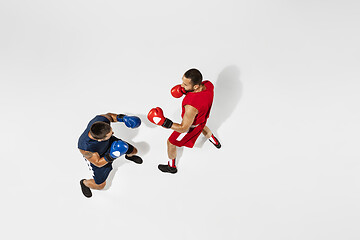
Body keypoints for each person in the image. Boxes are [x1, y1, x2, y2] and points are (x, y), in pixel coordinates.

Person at [148, 68, 221, 174]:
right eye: (182, 82)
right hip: (202, 119)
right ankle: (215, 141)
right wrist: (185, 91)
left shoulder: (191, 105)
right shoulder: (209, 85)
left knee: (171, 142)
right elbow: (200, 96)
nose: (182, 86)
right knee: (202, 126)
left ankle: (171, 167)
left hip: (192, 126)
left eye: (185, 85)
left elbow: (184, 128)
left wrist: (164, 122)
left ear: (195, 86)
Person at [78, 113, 142, 197]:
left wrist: (123, 118)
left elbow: (110, 116)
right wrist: (113, 155)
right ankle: (84, 183)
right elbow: (98, 163)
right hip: (99, 158)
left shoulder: (99, 120)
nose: (113, 132)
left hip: (110, 143)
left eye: (111, 131)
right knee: (100, 185)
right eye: (110, 134)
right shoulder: (85, 147)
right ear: (100, 140)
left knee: (134, 151)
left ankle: (129, 157)